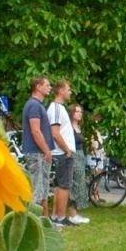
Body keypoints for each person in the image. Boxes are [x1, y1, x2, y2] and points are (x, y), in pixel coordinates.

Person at [46, 80, 79, 228]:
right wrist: (66, 150)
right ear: (60, 91)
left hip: (61, 152)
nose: (70, 92)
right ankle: (60, 217)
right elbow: (55, 133)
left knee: (60, 185)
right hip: (62, 153)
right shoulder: (57, 109)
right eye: (68, 89)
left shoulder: (59, 108)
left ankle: (55, 216)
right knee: (65, 185)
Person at [21, 77, 55, 209]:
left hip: (40, 153)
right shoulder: (34, 105)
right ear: (38, 87)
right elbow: (35, 131)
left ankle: (44, 222)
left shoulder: (38, 105)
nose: (50, 87)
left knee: (43, 189)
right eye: (47, 85)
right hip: (37, 153)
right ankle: (33, 222)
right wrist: (46, 150)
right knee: (37, 190)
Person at [67, 103, 91, 225]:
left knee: (80, 182)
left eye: (81, 112)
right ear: (71, 113)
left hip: (81, 155)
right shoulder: (68, 127)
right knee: (75, 184)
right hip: (74, 155)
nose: (80, 114)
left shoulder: (78, 126)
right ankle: (72, 214)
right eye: (77, 112)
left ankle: (76, 212)